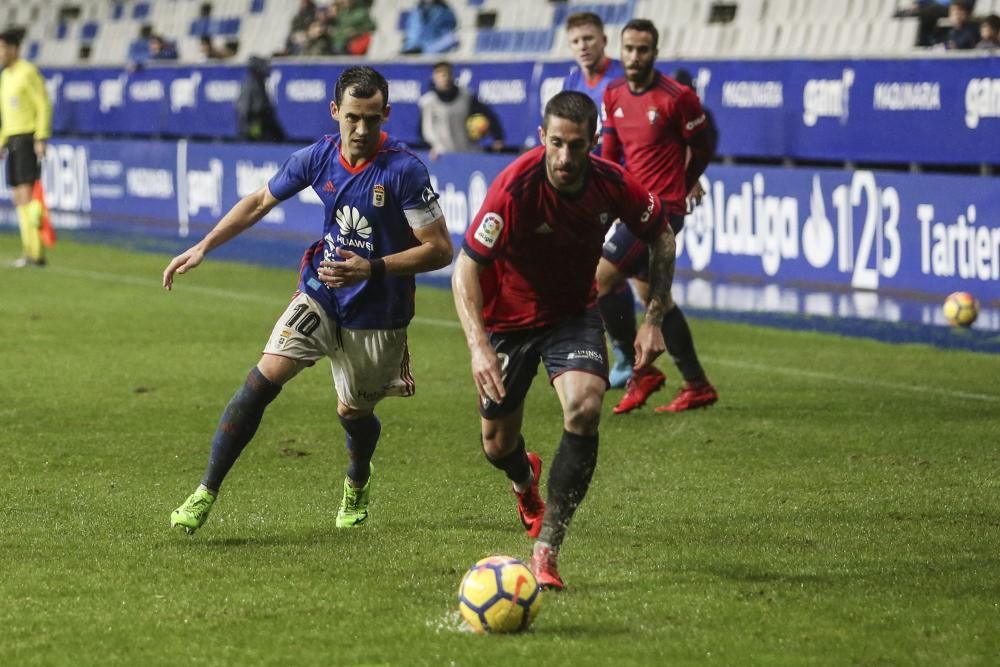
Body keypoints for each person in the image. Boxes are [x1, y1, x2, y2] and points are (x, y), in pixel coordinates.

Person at [166, 66, 453, 535]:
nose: (362, 130)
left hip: (378, 312)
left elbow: (440, 249)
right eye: (353, 118)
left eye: (373, 120)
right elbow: (259, 201)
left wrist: (372, 267)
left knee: (353, 414)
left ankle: (357, 478)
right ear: (335, 111)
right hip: (321, 292)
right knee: (262, 380)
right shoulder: (318, 157)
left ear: (386, 115)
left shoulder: (404, 171)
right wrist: (204, 246)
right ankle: (205, 492)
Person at [452, 91, 677, 589]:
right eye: (556, 144)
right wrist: (478, 346)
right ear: (542, 138)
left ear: (593, 142)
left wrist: (654, 315)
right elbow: (465, 267)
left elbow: (661, 234)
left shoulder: (610, 183)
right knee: (496, 445)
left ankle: (547, 549)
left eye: (576, 146)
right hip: (507, 322)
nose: (565, 157)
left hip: (572, 316)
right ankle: (523, 480)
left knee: (584, 408)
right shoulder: (513, 187)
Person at [599, 18, 718, 414]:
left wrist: (684, 181)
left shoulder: (676, 97)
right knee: (655, 297)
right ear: (621, 50)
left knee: (597, 281)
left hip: (664, 208)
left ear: (655, 52)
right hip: (631, 206)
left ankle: (639, 371)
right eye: (629, 49)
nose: (635, 56)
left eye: (643, 49)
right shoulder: (613, 93)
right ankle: (697, 384)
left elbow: (702, 145)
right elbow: (610, 154)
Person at [561, 11, 633, 387]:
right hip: (588, 190)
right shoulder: (572, 81)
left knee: (616, 276)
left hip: (625, 188)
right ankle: (627, 353)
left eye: (589, 39)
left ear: (604, 40)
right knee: (603, 275)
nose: (583, 47)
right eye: (576, 41)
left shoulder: (624, 79)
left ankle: (629, 353)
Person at [0, 28, 53, 268]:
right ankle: (29, 250)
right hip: (12, 139)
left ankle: (36, 251)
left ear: (13, 49)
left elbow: (42, 104)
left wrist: (41, 137)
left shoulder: (27, 72)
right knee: (18, 195)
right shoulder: (5, 75)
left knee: (28, 194)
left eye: (2, 48)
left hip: (27, 137)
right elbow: (6, 116)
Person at [418, 61, 504, 159]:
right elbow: (423, 131)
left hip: (467, 153)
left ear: (452, 75)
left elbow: (488, 114)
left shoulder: (466, 97)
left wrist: (498, 137)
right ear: (433, 77)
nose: (444, 77)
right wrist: (430, 148)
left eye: (447, 73)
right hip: (442, 156)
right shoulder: (427, 102)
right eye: (439, 74)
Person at [236, 56, 286, 142]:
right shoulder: (250, 83)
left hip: (264, 115)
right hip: (255, 117)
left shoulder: (260, 82)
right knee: (256, 137)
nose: (267, 69)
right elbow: (244, 105)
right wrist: (244, 121)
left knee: (278, 136)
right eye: (264, 66)